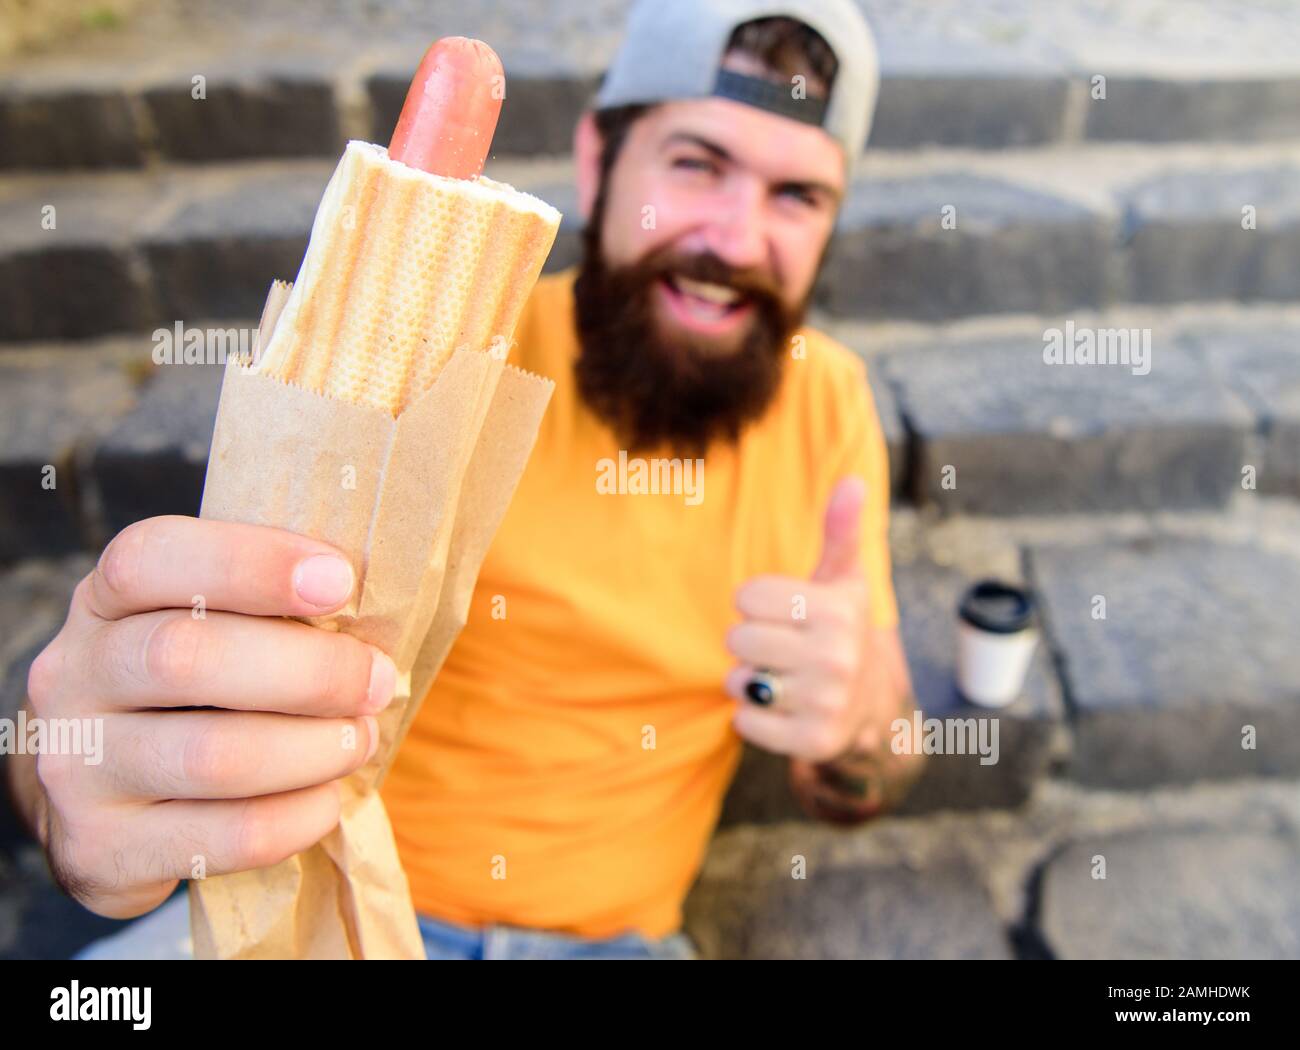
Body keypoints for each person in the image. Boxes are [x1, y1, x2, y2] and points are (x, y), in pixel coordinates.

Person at [5, 0, 926, 961]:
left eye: (797, 196)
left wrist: (860, 730)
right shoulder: (446, 353)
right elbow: (113, 719)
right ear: (599, 161)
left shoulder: (832, 404)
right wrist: (76, 773)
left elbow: (873, 762)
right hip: (313, 906)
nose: (736, 241)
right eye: (697, 165)